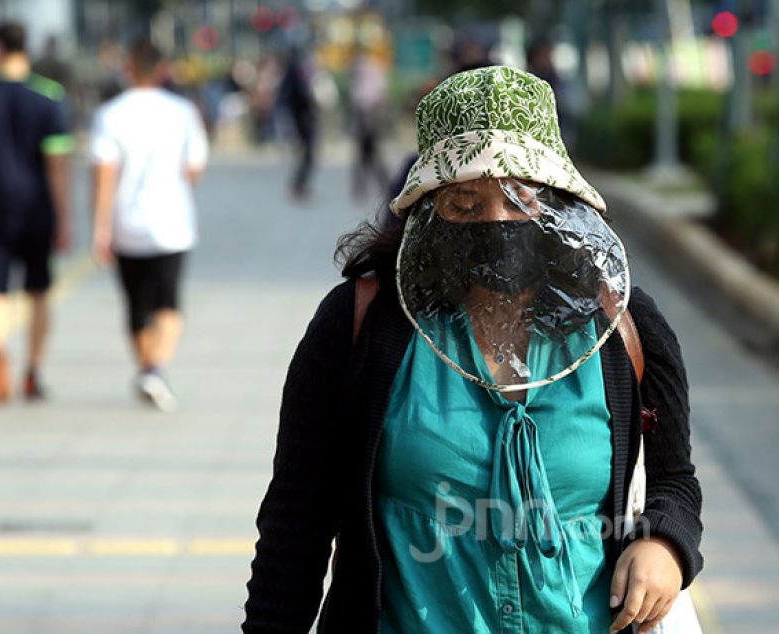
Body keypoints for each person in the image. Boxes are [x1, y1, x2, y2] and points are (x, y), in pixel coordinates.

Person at [243, 66, 703, 633]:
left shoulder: (624, 324)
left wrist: (665, 544)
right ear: (428, 210)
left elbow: (675, 481)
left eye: (519, 197)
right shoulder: (359, 326)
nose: (497, 220)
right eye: (465, 202)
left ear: (559, 203)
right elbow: (297, 519)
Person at [89, 39, 208, 412]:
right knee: (168, 302)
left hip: (126, 224)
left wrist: (100, 227)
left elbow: (104, 174)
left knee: (135, 304)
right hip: (172, 222)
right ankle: (154, 370)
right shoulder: (182, 112)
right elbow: (193, 169)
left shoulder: (110, 114)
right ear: (161, 69)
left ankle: (149, 369)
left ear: (128, 69)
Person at [0, 21, 73, 402]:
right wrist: (64, 217)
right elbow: (57, 165)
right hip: (37, 208)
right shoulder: (50, 97)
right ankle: (33, 371)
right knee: (38, 292)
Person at [348, 47, 390, 200]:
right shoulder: (370, 69)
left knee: (368, 154)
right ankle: (373, 185)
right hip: (368, 115)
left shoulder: (366, 70)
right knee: (368, 154)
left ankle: (364, 187)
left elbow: (366, 97)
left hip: (368, 115)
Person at [278, 47, 318, 201]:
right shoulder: (296, 71)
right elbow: (300, 94)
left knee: (306, 154)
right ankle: (298, 184)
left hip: (299, 117)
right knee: (307, 154)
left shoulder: (292, 72)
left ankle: (299, 184)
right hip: (301, 118)